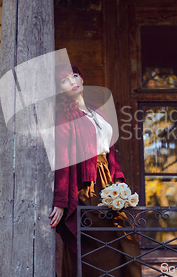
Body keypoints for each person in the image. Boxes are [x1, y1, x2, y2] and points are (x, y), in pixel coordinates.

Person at [49, 63, 142, 277]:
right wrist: (61, 202)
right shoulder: (64, 114)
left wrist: (118, 181)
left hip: (107, 184)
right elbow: (63, 157)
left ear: (81, 79)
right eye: (64, 80)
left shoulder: (95, 110)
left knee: (123, 239)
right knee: (96, 246)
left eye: (74, 76)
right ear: (60, 88)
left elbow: (111, 150)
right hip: (86, 188)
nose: (71, 82)